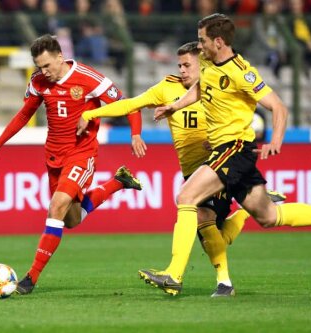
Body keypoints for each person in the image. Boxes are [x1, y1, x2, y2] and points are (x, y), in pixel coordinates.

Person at [142, 13, 311, 296]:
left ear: (218, 41)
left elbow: (278, 107)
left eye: (202, 40)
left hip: (235, 149)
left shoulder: (242, 72)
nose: (198, 46)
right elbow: (202, 88)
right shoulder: (207, 62)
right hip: (230, 153)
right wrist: (175, 106)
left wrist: (276, 139)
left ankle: (173, 274)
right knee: (269, 216)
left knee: (186, 197)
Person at [77, 41, 286, 297]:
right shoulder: (166, 88)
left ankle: (207, 280)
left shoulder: (217, 84)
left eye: (188, 65)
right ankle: (242, 219)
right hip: (194, 170)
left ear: (203, 63)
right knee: (217, 232)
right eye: (180, 65)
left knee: (204, 219)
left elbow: (242, 111)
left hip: (218, 164)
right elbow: (132, 103)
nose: (182, 70)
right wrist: (92, 114)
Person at [0, 34, 147, 295]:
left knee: (56, 206)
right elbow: (25, 113)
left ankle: (30, 278)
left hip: (82, 153)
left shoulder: (89, 78)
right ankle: (118, 182)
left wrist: (135, 133)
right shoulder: (38, 82)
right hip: (54, 157)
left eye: (47, 65)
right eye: (39, 67)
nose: (43, 72)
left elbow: (128, 105)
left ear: (60, 57)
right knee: (71, 220)